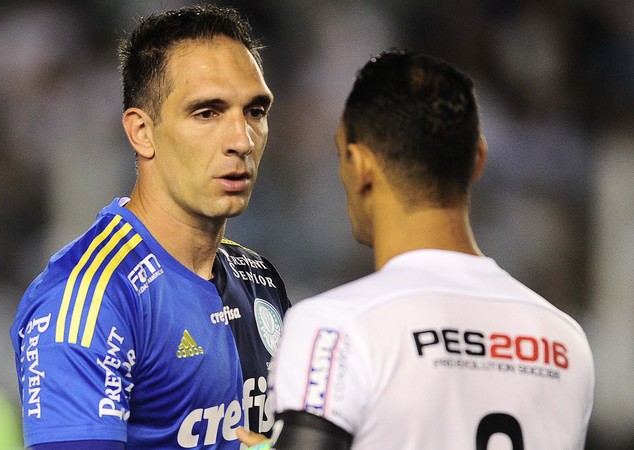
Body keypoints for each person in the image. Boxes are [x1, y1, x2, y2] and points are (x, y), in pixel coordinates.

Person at [241, 50, 594, 449]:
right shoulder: (566, 343)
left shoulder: (334, 329)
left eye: (341, 154)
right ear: (478, 159)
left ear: (359, 165)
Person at [10, 5, 291, 449]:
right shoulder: (90, 300)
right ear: (142, 132)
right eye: (207, 113)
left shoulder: (259, 280)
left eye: (255, 110)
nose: (242, 140)